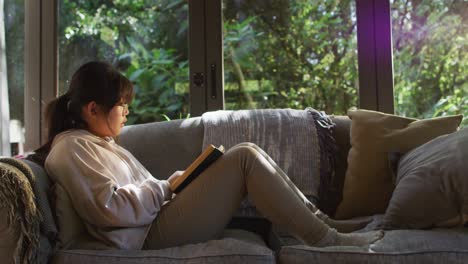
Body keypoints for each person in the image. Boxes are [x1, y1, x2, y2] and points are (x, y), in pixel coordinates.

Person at [37, 61, 383, 250]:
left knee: (243, 154)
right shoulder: (71, 149)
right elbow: (109, 207)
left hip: (157, 217)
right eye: (121, 105)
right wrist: (166, 188)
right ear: (93, 108)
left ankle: (324, 223)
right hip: (149, 233)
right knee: (244, 156)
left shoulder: (94, 142)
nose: (126, 113)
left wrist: (175, 184)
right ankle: (329, 241)